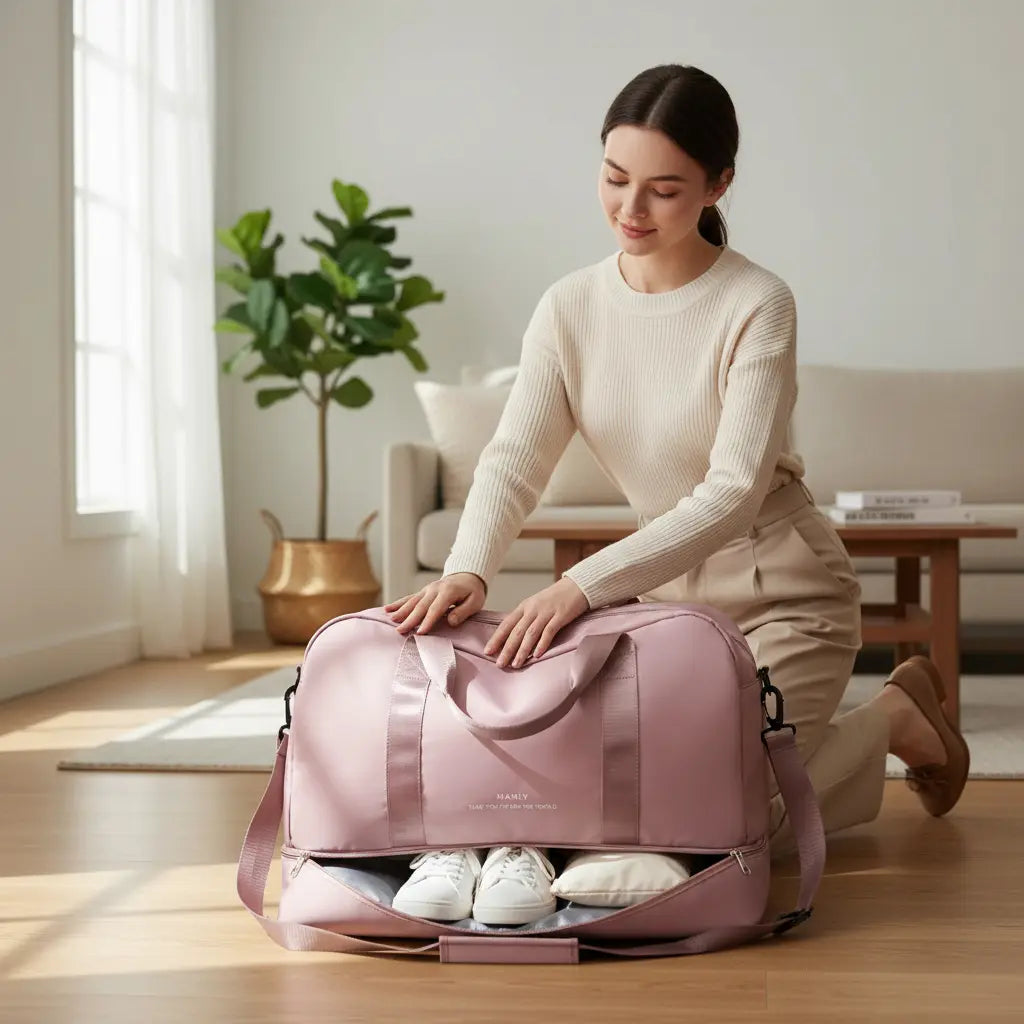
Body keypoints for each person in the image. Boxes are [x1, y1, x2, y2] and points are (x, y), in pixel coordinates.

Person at [384, 63, 970, 925]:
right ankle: (883, 720)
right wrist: (471, 567)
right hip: (663, 601)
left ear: (718, 184)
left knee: (737, 827)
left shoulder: (757, 303)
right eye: (615, 179)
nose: (631, 209)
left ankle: (894, 717)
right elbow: (514, 455)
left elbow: (733, 492)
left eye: (663, 189)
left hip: (786, 592)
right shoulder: (570, 306)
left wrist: (579, 585)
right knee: (643, 812)